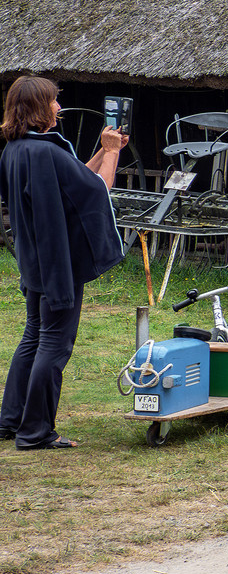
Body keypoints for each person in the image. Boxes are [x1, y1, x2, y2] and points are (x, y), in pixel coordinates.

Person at [0, 76, 126, 450]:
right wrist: (114, 154)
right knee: (54, 344)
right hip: (58, 264)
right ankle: (35, 431)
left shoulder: (16, 149)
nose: (58, 107)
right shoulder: (47, 152)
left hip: (34, 259)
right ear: (40, 107)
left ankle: (10, 421)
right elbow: (97, 192)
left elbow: (75, 180)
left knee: (33, 337)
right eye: (53, 102)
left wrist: (103, 151)